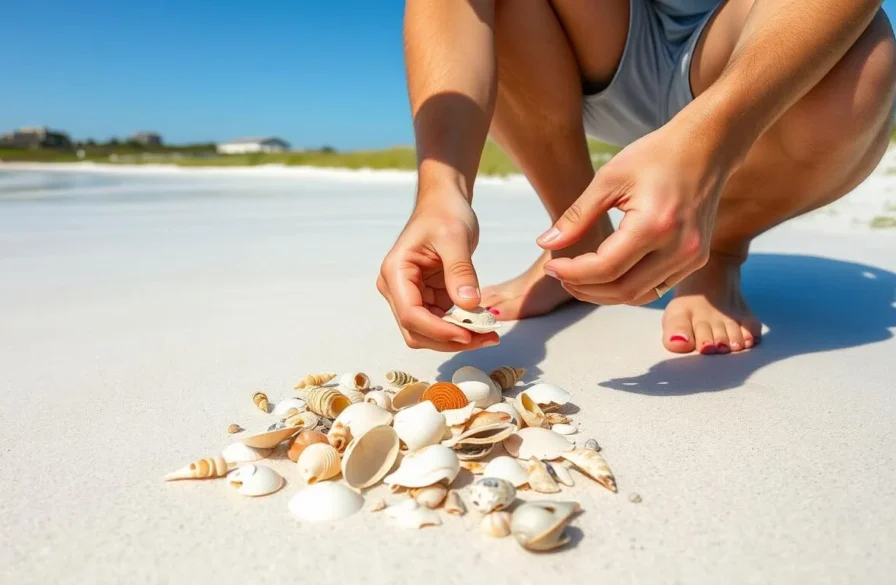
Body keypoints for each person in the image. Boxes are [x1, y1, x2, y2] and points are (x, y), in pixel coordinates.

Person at [377, 0, 896, 354]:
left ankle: (719, 245)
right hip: (601, 47)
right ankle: (575, 236)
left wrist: (708, 142)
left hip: (760, 43)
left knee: (866, 61)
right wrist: (441, 187)